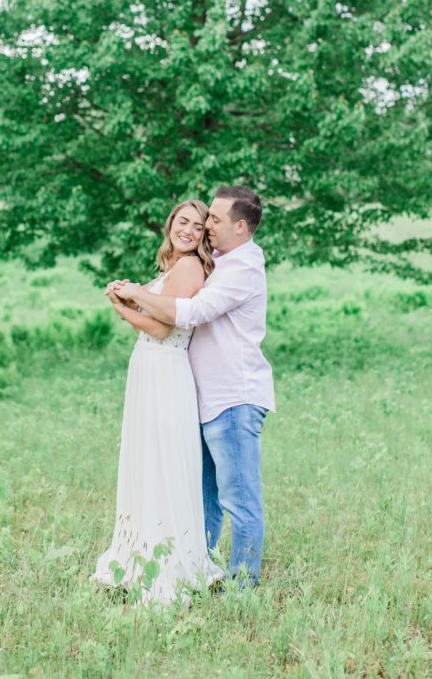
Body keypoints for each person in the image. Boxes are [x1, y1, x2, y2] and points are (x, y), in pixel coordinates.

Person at [112, 185, 275, 586]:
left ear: (240, 226)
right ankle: (192, 569)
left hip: (233, 397)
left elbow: (191, 312)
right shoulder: (217, 258)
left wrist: (133, 296)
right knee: (200, 497)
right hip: (198, 396)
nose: (206, 228)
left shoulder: (244, 269)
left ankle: (242, 585)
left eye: (215, 220)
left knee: (239, 500)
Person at [90, 199, 224, 604]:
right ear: (171, 223)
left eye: (197, 226)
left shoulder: (188, 267)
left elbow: (164, 330)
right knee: (147, 459)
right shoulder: (171, 266)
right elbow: (151, 316)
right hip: (148, 368)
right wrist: (129, 296)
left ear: (204, 236)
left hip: (165, 368)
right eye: (182, 221)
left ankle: (169, 560)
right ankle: (141, 550)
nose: (187, 229)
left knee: (163, 461)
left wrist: (122, 307)